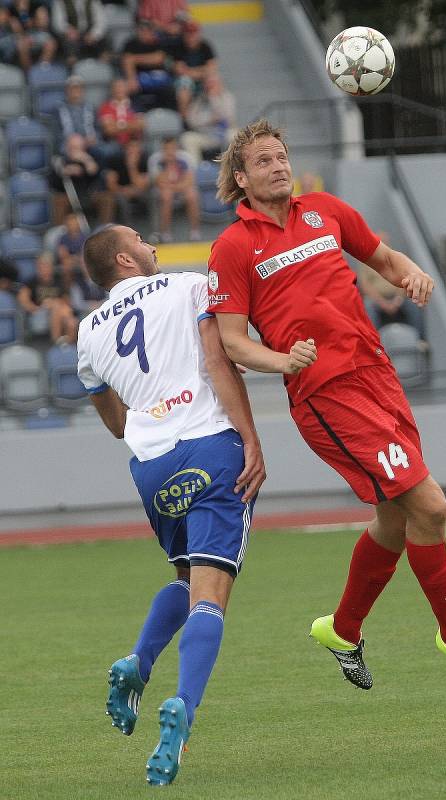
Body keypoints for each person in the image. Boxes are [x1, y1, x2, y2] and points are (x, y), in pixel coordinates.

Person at [206, 118, 446, 689]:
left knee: (395, 518)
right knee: (432, 506)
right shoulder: (233, 245)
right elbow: (231, 340)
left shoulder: (325, 210)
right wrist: (281, 361)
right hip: (326, 394)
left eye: (282, 155)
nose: (278, 165)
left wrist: (412, 273)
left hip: (375, 374)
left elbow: (385, 260)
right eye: (264, 160)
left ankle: (343, 631)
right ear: (241, 178)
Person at [77, 224, 265, 785]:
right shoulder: (187, 287)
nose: (152, 246)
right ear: (124, 260)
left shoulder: (87, 333)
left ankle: (138, 662)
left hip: (152, 466)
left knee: (185, 577)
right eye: (141, 240)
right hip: (210, 444)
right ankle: (184, 708)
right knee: (213, 593)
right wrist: (251, 437)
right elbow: (222, 356)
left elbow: (114, 423)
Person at [358, 230, 425, 339]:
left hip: (398, 298)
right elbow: (366, 286)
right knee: (367, 306)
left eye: (384, 242)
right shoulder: (365, 261)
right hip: (377, 300)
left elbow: (405, 280)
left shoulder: (396, 259)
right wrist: (382, 303)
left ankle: (419, 340)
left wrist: (397, 300)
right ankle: (373, 342)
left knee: (415, 305)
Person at [17, 251, 78, 343]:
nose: (43, 269)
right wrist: (40, 308)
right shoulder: (31, 282)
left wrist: (53, 302)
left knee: (71, 322)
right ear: (37, 268)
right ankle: (57, 341)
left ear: (51, 267)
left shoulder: (59, 281)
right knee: (62, 311)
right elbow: (23, 301)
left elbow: (67, 302)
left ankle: (66, 348)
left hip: (59, 312)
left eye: (46, 266)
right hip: (39, 313)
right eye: (40, 266)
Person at [148, 136, 201, 242]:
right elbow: (159, 182)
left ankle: (195, 231)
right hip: (164, 190)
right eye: (167, 149)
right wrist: (168, 164)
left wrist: (175, 187)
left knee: (192, 194)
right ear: (163, 149)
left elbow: (189, 181)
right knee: (166, 195)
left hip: (181, 187)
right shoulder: (155, 160)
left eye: (172, 148)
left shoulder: (186, 158)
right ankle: (165, 232)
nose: (170, 152)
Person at [181, 72, 236, 165]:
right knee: (187, 138)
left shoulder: (227, 98)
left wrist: (214, 99)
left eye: (213, 83)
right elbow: (191, 121)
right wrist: (208, 120)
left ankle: (232, 170)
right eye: (208, 84)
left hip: (223, 133)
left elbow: (229, 118)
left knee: (235, 135)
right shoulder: (199, 100)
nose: (211, 86)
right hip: (205, 136)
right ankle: (197, 171)